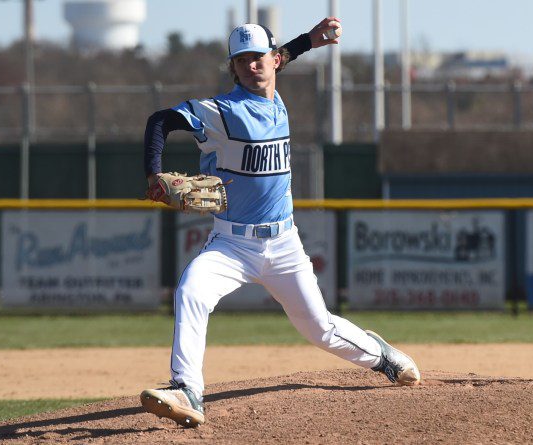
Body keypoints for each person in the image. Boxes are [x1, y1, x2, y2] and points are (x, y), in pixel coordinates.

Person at [140, 18, 420, 428]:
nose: (252, 65)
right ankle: (188, 389)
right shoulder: (222, 112)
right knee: (191, 292)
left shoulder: (277, 99)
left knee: (319, 328)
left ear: (272, 61)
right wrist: (153, 174)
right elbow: (160, 121)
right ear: (233, 67)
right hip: (231, 246)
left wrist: (308, 40)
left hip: (284, 244)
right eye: (242, 60)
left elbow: (281, 55)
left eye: (258, 57)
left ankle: (385, 358)